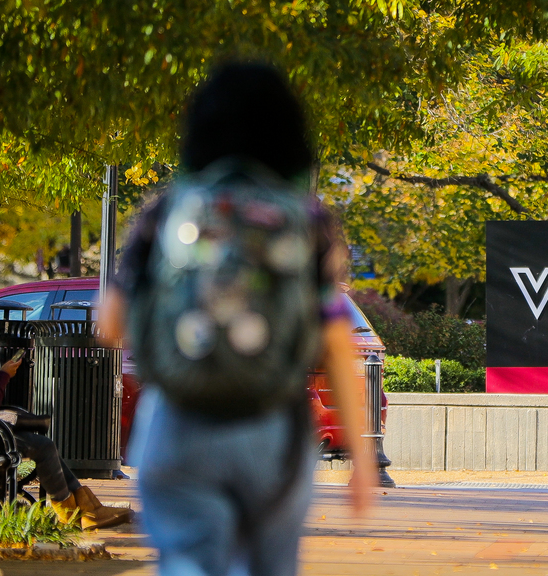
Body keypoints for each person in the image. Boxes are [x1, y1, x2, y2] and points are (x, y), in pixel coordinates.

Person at [99, 62, 377, 576]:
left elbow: (110, 324)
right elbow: (338, 345)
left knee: (189, 562)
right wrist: (362, 460)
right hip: (273, 424)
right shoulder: (308, 220)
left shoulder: (166, 211)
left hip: (179, 421)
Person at [0, 358, 131, 529]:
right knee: (44, 446)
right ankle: (72, 513)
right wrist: (4, 375)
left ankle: (87, 508)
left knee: (44, 444)